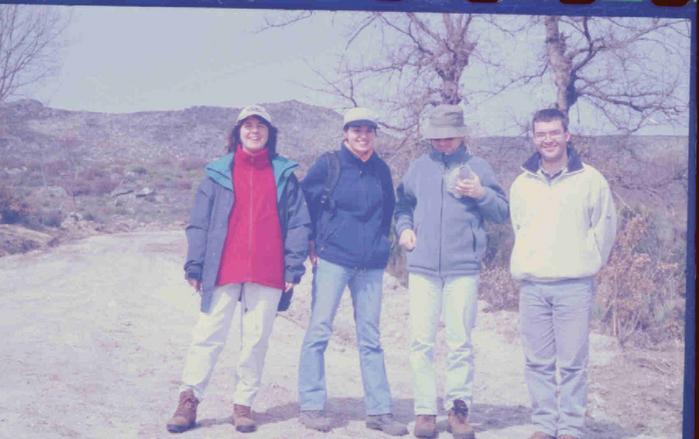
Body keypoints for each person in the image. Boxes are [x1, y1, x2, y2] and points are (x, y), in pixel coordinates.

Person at [166, 104, 310, 434]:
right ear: (237, 132)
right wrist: (196, 263)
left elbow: (300, 223)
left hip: (268, 269)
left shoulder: (284, 174)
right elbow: (199, 223)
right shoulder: (217, 173)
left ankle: (243, 404)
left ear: (270, 134)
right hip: (222, 268)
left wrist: (292, 267)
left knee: (256, 339)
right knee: (207, 335)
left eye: (261, 125)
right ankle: (188, 399)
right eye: (248, 125)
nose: (254, 130)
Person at [394, 104, 509, 439]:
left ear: (461, 134)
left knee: (460, 341)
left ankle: (459, 410)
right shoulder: (418, 168)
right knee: (421, 341)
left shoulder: (479, 167)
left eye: (448, 137)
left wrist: (481, 193)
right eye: (436, 138)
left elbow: (502, 211)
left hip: (463, 268)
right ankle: (425, 411)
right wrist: (404, 229)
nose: (442, 143)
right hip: (423, 266)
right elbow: (403, 205)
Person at [297, 107, 408, 436]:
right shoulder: (328, 164)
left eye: (368, 130)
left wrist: (383, 244)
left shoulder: (381, 170)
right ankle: (312, 404)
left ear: (375, 134)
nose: (362, 136)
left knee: (371, 338)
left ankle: (379, 410)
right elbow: (303, 203)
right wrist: (312, 239)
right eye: (356, 130)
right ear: (345, 133)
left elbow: (389, 208)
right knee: (319, 331)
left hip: (370, 264)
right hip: (332, 258)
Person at [509, 108, 617, 439]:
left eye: (554, 132)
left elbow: (606, 227)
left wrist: (590, 260)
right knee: (538, 363)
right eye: (541, 134)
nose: (548, 139)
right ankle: (544, 425)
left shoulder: (590, 180)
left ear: (567, 135)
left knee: (572, 363)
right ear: (534, 138)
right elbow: (519, 228)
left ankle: (570, 427)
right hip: (533, 287)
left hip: (574, 285)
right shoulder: (522, 183)